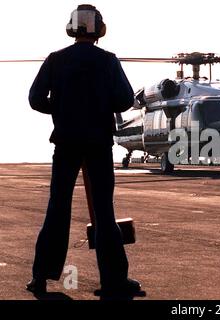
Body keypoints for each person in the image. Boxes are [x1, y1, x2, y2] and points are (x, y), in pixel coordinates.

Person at [27, 4, 141, 296]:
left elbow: (36, 98)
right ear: (100, 30)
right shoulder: (108, 61)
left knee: (57, 207)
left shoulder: (56, 60)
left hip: (65, 141)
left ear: (71, 28)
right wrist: (100, 106)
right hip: (98, 143)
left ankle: (41, 276)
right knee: (104, 211)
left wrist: (61, 109)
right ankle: (113, 281)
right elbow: (126, 99)